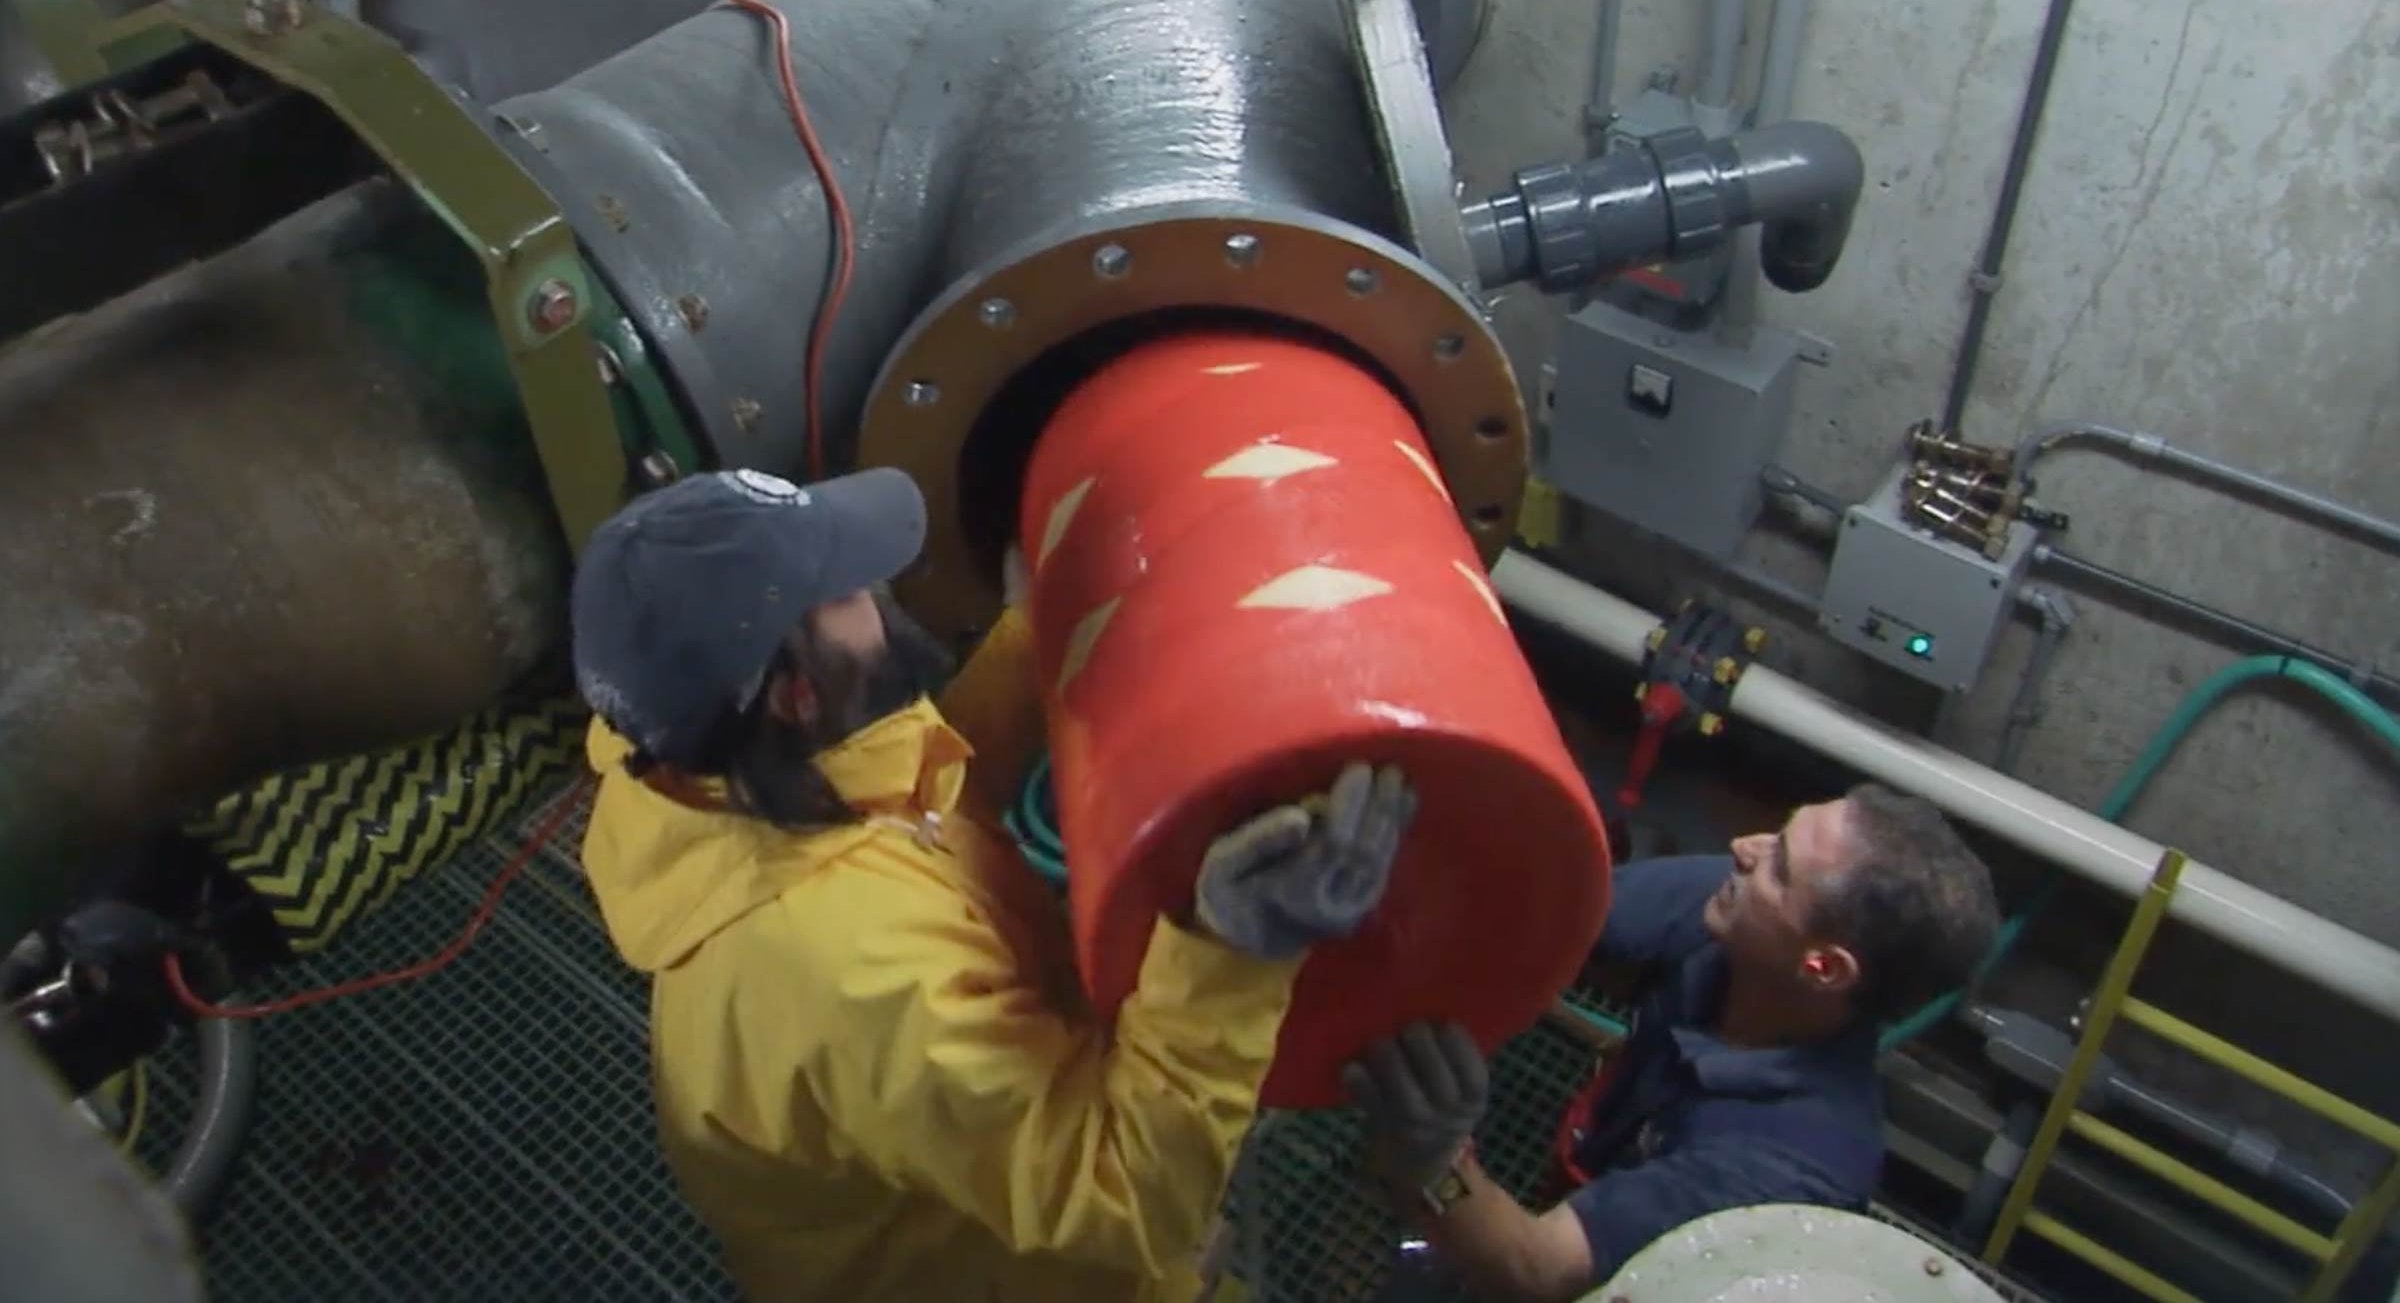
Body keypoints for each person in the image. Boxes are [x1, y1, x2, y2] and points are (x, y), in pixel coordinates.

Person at [570, 465, 1415, 1303]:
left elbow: (916, 810)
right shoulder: (850, 973)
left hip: (974, 1176)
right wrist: (1234, 950)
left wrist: (1039, 635)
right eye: (843, 592)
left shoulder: (716, 770)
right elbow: (1122, 1193)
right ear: (795, 695)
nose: (876, 586)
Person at [1346, 788, 1998, 1301]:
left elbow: (1535, 1270)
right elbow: (1545, 910)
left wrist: (1433, 1162)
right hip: (1601, 1161)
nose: (1745, 847)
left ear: (1823, 967)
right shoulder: (1737, 917)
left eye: (1780, 866)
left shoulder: (1786, 1165)